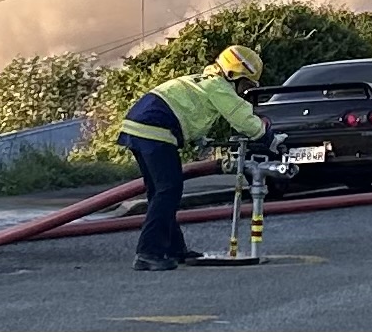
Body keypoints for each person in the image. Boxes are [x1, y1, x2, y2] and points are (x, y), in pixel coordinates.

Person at [116, 45, 273, 271]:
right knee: (168, 191)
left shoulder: (202, 79)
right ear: (233, 74)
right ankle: (148, 253)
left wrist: (200, 137)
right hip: (155, 131)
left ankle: (174, 249)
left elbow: (189, 111)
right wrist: (266, 135)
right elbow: (240, 116)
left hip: (139, 128)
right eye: (245, 84)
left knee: (160, 192)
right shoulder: (218, 86)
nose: (243, 91)